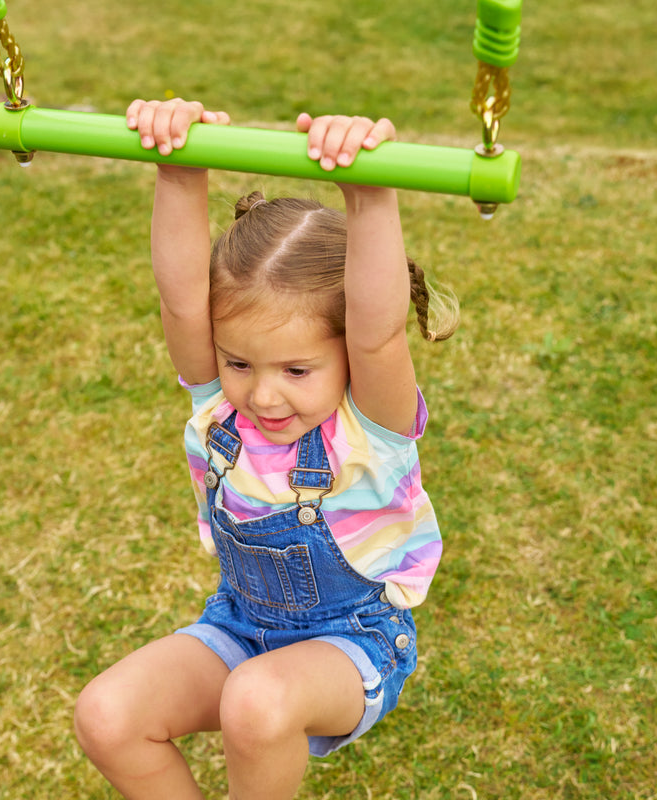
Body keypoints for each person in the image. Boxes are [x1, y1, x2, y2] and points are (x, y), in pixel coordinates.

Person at [73, 97, 459, 800]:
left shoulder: (370, 429)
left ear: (345, 359)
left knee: (255, 701)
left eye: (297, 370)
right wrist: (178, 172)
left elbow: (377, 333)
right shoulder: (218, 403)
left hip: (352, 644)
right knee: (107, 716)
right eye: (240, 363)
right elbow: (184, 302)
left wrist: (370, 198)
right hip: (240, 625)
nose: (263, 396)